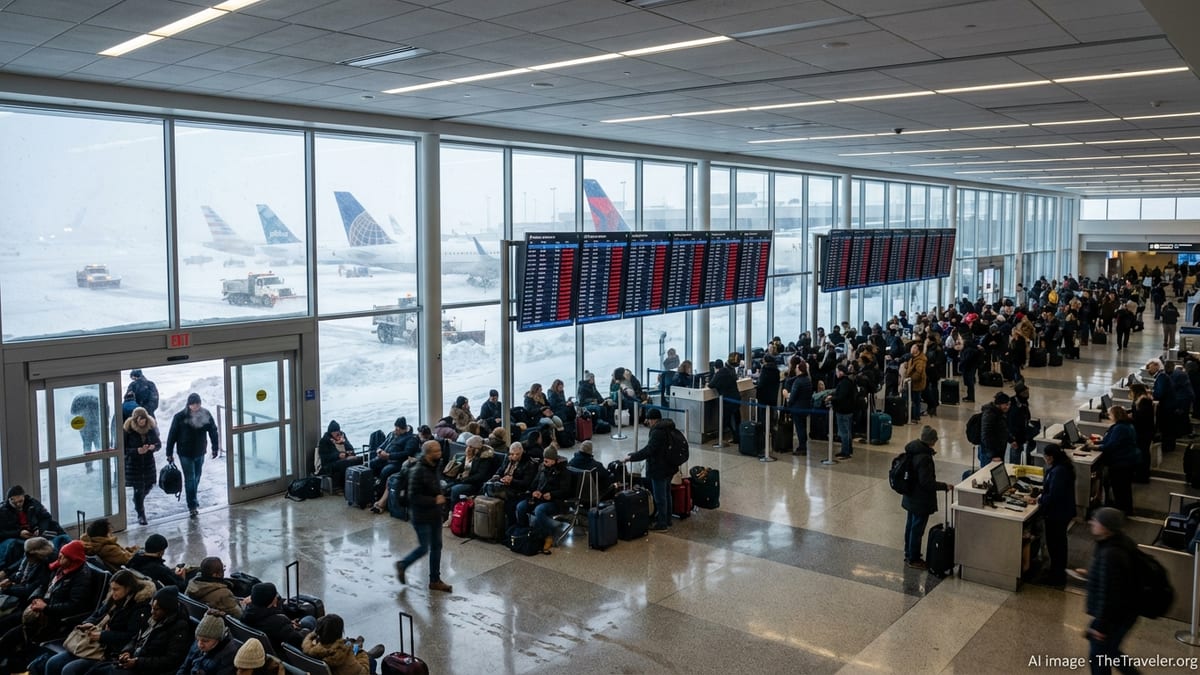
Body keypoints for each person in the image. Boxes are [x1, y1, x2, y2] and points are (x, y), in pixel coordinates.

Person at [36, 569, 156, 675]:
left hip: (107, 652)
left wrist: (103, 636)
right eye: (112, 589)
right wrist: (88, 623)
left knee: (69, 670)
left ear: (128, 588)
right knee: (52, 663)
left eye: (116, 589)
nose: (113, 593)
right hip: (90, 645)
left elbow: (132, 636)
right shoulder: (113, 599)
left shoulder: (139, 607)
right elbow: (97, 614)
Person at [0, 540, 95, 672]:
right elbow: (43, 585)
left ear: (72, 558)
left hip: (52, 618)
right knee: (6, 627)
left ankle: (12, 666)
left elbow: (74, 606)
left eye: (63, 555)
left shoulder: (80, 577)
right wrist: (35, 598)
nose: (59, 557)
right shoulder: (59, 568)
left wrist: (46, 608)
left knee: (9, 638)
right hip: (42, 607)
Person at [1080, 508, 1140, 675]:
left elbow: (1110, 594)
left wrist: (1101, 626)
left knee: (1100, 655)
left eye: (1096, 521)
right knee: (1109, 652)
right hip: (1125, 612)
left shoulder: (1110, 553)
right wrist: (1092, 573)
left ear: (1106, 527)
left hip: (1114, 616)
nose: (1092, 522)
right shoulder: (1119, 542)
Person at [89, 586, 193, 675]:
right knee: (95, 670)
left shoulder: (179, 627)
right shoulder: (153, 618)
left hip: (147, 669)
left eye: (156, 609)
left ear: (167, 610)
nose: (152, 612)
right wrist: (127, 651)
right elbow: (135, 638)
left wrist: (138, 662)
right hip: (134, 661)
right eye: (152, 607)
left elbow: (170, 661)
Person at [395, 441, 453, 593]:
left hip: (434, 514)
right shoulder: (418, 471)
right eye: (436, 451)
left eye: (439, 450)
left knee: (436, 547)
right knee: (424, 547)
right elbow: (414, 498)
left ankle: (435, 580)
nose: (440, 453)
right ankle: (403, 564)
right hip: (421, 516)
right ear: (428, 453)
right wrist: (435, 500)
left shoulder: (434, 465)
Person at [901, 426, 950, 570]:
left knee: (910, 526)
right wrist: (944, 486)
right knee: (917, 529)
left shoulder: (913, 450)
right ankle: (914, 558)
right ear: (932, 441)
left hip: (910, 496)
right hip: (920, 500)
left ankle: (908, 553)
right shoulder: (924, 458)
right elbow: (926, 482)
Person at [164, 393, 220, 519]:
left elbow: (213, 431)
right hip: (185, 452)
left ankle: (192, 497)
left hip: (200, 451)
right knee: (190, 479)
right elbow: (172, 435)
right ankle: (192, 506)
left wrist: (215, 447)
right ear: (188, 404)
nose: (195, 407)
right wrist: (169, 452)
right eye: (193, 404)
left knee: (197, 477)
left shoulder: (205, 414)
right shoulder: (180, 417)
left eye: (198, 404)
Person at [1027, 445, 1076, 587]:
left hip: (1057, 513)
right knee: (1058, 543)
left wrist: (1039, 500)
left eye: (1045, 457)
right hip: (1062, 511)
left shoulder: (1058, 471)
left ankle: (1057, 575)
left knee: (1056, 544)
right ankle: (1056, 570)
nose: (1045, 459)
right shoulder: (1062, 467)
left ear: (1051, 457)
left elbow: (1054, 495)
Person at [625, 408, 678, 532]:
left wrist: (631, 457)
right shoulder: (669, 427)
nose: (647, 422)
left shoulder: (657, 432)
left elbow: (649, 450)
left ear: (653, 420)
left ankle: (662, 524)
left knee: (660, 497)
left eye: (648, 420)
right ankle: (668, 519)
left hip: (659, 468)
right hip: (669, 466)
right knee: (666, 493)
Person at [515, 447, 570, 553]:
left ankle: (549, 533)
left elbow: (565, 490)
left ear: (554, 460)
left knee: (539, 510)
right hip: (540, 498)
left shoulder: (563, 471)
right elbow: (534, 484)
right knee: (520, 507)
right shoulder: (542, 468)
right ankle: (526, 532)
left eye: (547, 460)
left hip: (556, 502)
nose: (544, 462)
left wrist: (552, 495)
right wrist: (534, 491)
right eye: (544, 459)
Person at [1087, 406, 1139, 516]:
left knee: (1120, 488)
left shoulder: (1120, 428)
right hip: (1127, 461)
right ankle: (1125, 508)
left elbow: (1111, 445)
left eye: (1110, 414)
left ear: (1116, 415)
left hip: (1121, 463)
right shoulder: (1125, 425)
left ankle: (1121, 510)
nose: (1109, 416)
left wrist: (1094, 447)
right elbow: (1108, 441)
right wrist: (1095, 443)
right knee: (1124, 488)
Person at [0, 485, 68, 567]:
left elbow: (46, 517)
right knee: (13, 545)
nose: (18, 505)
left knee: (58, 530)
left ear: (24, 497)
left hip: (35, 533)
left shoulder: (32, 503)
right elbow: (2, 532)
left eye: (20, 501)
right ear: (9, 500)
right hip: (17, 537)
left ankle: (69, 552)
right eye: (14, 503)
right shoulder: (3, 511)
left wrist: (40, 529)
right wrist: (18, 533)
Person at [241, 582, 315, 656]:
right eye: (275, 595)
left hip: (270, 644)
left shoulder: (247, 612)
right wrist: (304, 631)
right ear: (272, 600)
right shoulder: (279, 623)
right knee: (310, 620)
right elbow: (298, 639)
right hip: (284, 651)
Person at [301, 614, 376, 675]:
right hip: (350, 666)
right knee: (372, 662)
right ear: (339, 633)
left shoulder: (311, 647)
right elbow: (364, 672)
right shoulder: (341, 657)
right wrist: (362, 654)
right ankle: (369, 654)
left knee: (350, 644)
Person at [123, 407, 160, 526]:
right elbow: (123, 450)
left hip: (148, 463)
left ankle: (138, 501)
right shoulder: (128, 430)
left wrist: (153, 447)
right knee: (138, 489)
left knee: (148, 486)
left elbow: (158, 443)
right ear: (135, 419)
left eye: (144, 419)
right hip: (134, 465)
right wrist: (136, 451)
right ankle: (141, 514)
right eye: (140, 420)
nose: (142, 422)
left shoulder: (150, 428)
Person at [486, 442, 536, 528]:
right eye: (512, 454)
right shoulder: (508, 458)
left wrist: (512, 481)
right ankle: (493, 526)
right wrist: (497, 475)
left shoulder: (529, 463)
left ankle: (511, 528)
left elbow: (526, 483)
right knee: (487, 487)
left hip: (518, 490)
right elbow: (501, 469)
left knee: (509, 505)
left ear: (522, 452)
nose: (514, 456)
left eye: (517, 454)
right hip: (504, 486)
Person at [445, 434, 496, 507]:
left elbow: (480, 476)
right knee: (446, 487)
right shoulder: (468, 456)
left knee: (455, 490)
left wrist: (465, 479)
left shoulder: (485, 458)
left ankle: (453, 513)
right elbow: (461, 469)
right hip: (464, 480)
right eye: (468, 446)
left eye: (471, 447)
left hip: (475, 484)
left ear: (477, 449)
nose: (468, 449)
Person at [368, 417, 418, 484]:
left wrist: (389, 456)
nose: (395, 430)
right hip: (384, 457)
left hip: (397, 461)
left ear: (403, 429)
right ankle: (370, 484)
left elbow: (407, 453)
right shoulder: (392, 434)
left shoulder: (411, 439)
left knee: (386, 470)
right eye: (395, 428)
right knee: (370, 464)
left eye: (398, 429)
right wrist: (380, 451)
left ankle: (380, 488)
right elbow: (382, 446)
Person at [1147, 358, 1178, 455]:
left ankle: (1167, 447)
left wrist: (1151, 395)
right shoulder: (1162, 376)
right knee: (1168, 427)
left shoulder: (1161, 377)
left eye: (1150, 367)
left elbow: (1160, 393)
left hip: (1167, 407)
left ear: (1156, 366)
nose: (1148, 369)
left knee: (1166, 427)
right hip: (1169, 405)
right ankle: (1169, 445)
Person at [708, 359, 741, 444]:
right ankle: (737, 437)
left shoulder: (719, 374)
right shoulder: (729, 371)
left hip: (728, 400)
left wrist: (715, 374)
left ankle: (723, 439)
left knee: (727, 419)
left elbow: (711, 385)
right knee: (736, 419)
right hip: (736, 397)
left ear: (715, 367)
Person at [829, 364, 857, 459]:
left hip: (843, 410)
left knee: (844, 432)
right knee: (847, 431)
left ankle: (845, 451)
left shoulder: (843, 383)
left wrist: (832, 398)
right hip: (849, 410)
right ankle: (848, 449)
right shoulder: (849, 382)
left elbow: (841, 397)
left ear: (841, 372)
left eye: (837, 371)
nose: (836, 374)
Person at [1129, 383, 1155, 483]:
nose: (1130, 394)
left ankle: (1142, 476)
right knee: (1144, 453)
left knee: (1143, 454)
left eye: (1131, 392)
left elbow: (1140, 419)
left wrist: (1129, 418)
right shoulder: (1144, 400)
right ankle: (1142, 474)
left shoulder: (1143, 402)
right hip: (1146, 431)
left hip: (1144, 433)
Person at [786, 360, 813, 457]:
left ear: (800, 370)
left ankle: (802, 447)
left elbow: (793, 397)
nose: (795, 369)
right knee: (803, 428)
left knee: (799, 428)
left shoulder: (798, 382)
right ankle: (803, 445)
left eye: (797, 368)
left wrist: (788, 399)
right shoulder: (807, 380)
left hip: (797, 408)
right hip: (805, 407)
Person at [979, 392, 1012, 466]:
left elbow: (1003, 430)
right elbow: (986, 436)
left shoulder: (1000, 413)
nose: (1008, 407)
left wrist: (1011, 440)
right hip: (990, 454)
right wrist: (993, 455)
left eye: (1009, 404)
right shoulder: (989, 414)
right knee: (988, 474)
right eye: (1006, 404)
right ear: (999, 404)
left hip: (998, 451)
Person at [905, 342, 927, 424]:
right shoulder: (913, 358)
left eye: (914, 347)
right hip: (912, 384)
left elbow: (919, 373)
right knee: (914, 400)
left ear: (918, 350)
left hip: (916, 384)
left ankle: (915, 416)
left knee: (916, 401)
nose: (912, 349)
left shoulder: (920, 361)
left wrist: (910, 378)